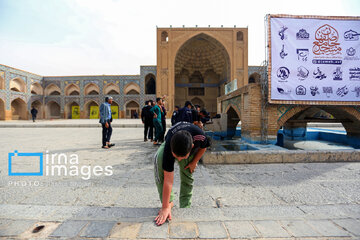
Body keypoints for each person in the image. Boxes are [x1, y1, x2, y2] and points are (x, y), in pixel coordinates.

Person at [154, 121, 211, 226]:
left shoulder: (200, 137)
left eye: (182, 157)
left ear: (192, 147)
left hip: (186, 144)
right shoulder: (168, 149)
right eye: (176, 156)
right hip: (171, 142)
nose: (179, 160)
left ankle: (185, 206)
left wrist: (194, 162)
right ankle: (168, 203)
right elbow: (168, 179)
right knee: (158, 160)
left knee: (187, 175)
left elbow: (204, 147)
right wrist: (165, 207)